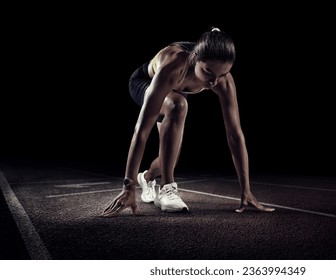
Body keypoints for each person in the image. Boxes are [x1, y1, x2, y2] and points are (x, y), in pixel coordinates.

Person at [100, 27, 275, 217]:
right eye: (208, 72)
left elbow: (235, 135)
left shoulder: (222, 81)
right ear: (195, 58)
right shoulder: (173, 65)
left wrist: (246, 189)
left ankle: (147, 177)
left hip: (174, 93)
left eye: (222, 74)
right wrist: (128, 186)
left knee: (171, 157)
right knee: (178, 104)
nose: (214, 82)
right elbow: (141, 131)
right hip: (145, 83)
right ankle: (168, 188)